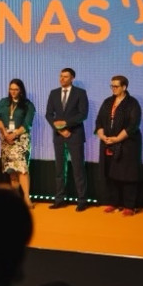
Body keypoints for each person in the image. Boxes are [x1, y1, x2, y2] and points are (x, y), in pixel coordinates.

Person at [94, 75, 143, 216]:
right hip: (108, 143)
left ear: (124, 87)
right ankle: (113, 202)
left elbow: (133, 125)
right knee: (110, 174)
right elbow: (99, 121)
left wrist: (117, 139)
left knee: (128, 175)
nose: (113, 89)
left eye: (116, 86)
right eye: (112, 86)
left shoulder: (132, 103)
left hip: (127, 144)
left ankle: (129, 205)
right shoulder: (107, 102)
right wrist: (102, 135)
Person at [45, 67, 89, 211]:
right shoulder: (54, 93)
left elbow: (83, 114)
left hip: (75, 135)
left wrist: (65, 125)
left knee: (78, 169)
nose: (62, 79)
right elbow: (49, 114)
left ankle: (82, 200)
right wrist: (59, 129)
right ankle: (60, 199)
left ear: (72, 78)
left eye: (65, 76)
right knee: (59, 169)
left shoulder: (80, 93)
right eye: (60, 76)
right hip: (59, 136)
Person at [0, 78, 36, 209]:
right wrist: (5, 133)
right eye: (11, 89)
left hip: (21, 140)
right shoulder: (4, 102)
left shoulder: (28, 105)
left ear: (21, 90)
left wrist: (14, 134)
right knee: (11, 170)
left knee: (22, 169)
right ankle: (15, 199)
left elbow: (27, 124)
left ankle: (26, 198)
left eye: (16, 89)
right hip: (6, 139)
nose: (13, 92)